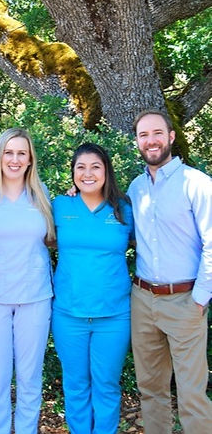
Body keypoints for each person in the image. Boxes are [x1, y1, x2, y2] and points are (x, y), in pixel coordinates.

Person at [127, 109, 212, 434]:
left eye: (157, 133)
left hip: (186, 301)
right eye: (143, 135)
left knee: (191, 395)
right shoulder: (137, 188)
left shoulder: (197, 184)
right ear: (137, 141)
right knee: (151, 390)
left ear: (171, 137)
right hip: (143, 299)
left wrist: (201, 298)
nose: (151, 141)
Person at [0, 128, 55, 434]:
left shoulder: (41, 194)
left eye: (22, 153)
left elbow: (54, 237)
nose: (15, 159)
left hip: (35, 297)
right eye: (9, 152)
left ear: (30, 159)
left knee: (30, 378)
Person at [52, 143, 134, 434]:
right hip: (68, 315)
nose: (88, 173)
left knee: (107, 386)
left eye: (95, 166)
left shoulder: (124, 209)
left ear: (106, 171)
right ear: (72, 172)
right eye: (80, 167)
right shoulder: (59, 206)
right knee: (75, 386)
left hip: (113, 316)